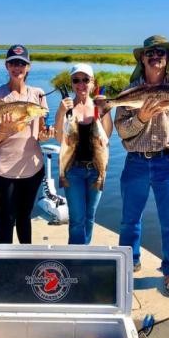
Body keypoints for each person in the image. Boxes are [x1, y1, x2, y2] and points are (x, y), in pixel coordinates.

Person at [114, 35, 169, 297]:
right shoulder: (130, 92)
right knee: (129, 221)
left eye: (161, 53)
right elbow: (122, 131)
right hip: (136, 163)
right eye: (150, 53)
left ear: (168, 59)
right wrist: (141, 117)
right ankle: (129, 263)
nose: (156, 57)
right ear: (142, 58)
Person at [0, 44, 54, 244]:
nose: (18, 68)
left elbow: (41, 132)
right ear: (6, 66)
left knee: (25, 217)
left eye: (22, 64)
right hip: (2, 170)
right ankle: (2, 265)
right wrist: (5, 130)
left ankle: (26, 260)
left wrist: (46, 135)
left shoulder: (38, 94)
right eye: (13, 63)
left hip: (32, 169)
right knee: (6, 219)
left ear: (29, 67)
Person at [55, 63, 113, 244]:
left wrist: (104, 110)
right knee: (77, 218)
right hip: (72, 171)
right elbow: (59, 138)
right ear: (71, 83)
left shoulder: (97, 107)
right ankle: (75, 257)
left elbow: (107, 135)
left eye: (85, 80)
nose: (81, 84)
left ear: (92, 82)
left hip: (96, 169)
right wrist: (60, 112)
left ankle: (85, 252)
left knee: (90, 217)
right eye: (76, 80)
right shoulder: (68, 108)